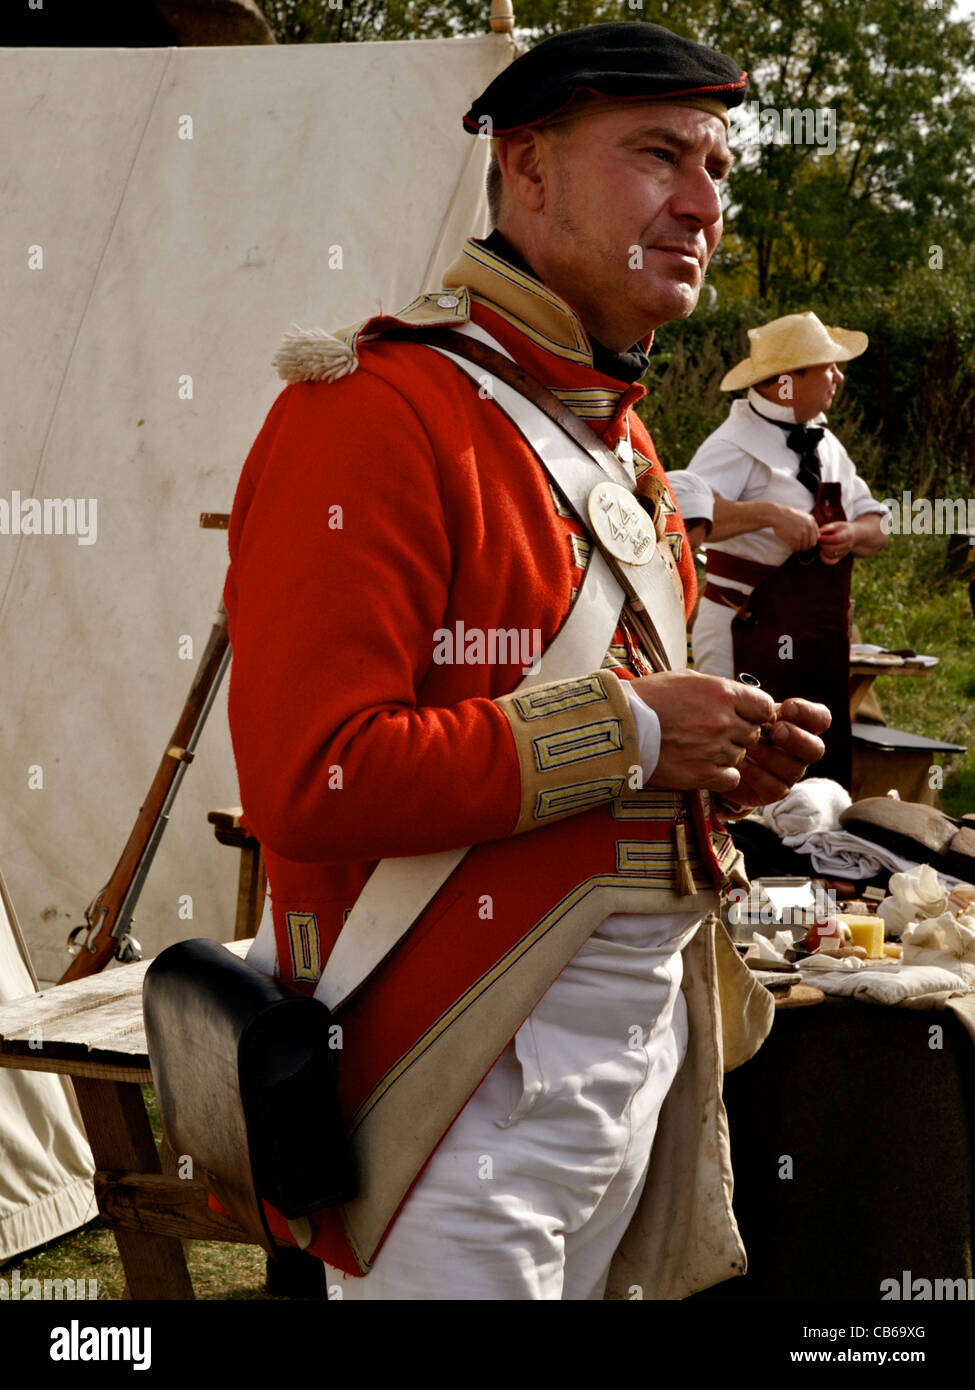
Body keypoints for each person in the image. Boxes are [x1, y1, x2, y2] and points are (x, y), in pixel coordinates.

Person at [224, 22, 829, 1301]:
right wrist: (640, 731)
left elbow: (592, 787)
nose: (701, 203)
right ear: (529, 168)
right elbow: (315, 778)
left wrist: (720, 769)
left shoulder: (622, 446)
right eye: (658, 153)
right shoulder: (369, 413)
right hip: (450, 1090)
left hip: (630, 1066)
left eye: (716, 168)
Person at [687, 312, 889, 787]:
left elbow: (880, 524)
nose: (838, 377)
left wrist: (853, 536)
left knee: (813, 767)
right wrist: (769, 514)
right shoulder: (733, 443)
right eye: (827, 367)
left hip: (816, 641)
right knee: (739, 766)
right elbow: (682, 517)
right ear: (786, 381)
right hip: (744, 631)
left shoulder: (828, 444)